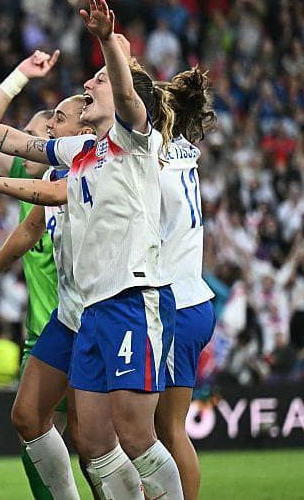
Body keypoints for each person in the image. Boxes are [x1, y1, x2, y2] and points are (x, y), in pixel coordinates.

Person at [0, 0, 184, 500]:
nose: (89, 84)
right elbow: (11, 141)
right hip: (90, 308)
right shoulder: (81, 151)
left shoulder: (136, 138)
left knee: (137, 437)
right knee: (95, 442)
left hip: (132, 298)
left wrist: (105, 43)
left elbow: (123, 93)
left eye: (94, 81)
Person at [0, 95, 90, 500]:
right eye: (30, 135)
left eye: (44, 129)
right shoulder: (37, 182)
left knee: (92, 440)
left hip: (89, 322)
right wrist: (21, 77)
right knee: (33, 428)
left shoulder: (84, 175)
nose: (34, 140)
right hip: (45, 331)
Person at [155, 67, 218, 500]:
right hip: (192, 299)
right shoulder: (182, 153)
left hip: (177, 303)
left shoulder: (156, 158)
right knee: (159, 429)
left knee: (167, 430)